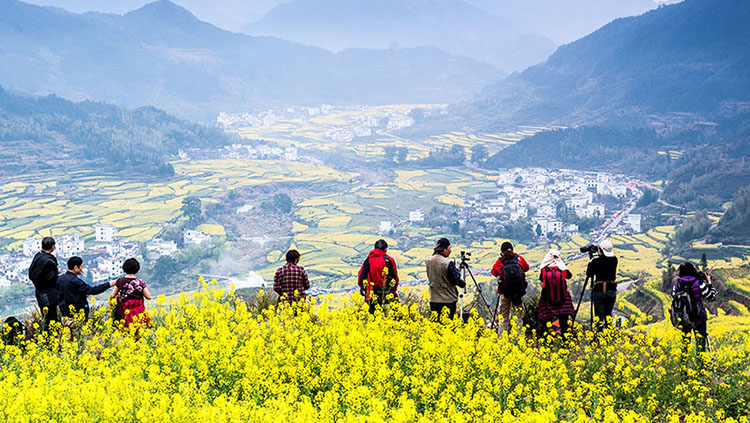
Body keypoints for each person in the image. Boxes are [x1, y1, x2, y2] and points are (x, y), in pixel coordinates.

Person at [673, 262, 716, 352]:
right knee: (700, 346)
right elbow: (711, 297)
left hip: (684, 318)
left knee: (685, 346)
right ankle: (701, 364)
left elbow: (674, 298)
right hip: (698, 317)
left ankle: (683, 363)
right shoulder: (699, 283)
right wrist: (709, 283)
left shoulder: (677, 285)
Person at [57, 256, 116, 321]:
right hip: (76, 317)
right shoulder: (75, 281)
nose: (82, 269)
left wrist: (81, 295)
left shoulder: (59, 279)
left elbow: (69, 294)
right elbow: (93, 290)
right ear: (76, 267)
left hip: (64, 316)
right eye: (81, 266)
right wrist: (109, 284)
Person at [491, 241, 529, 334]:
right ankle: (517, 338)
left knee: (503, 316)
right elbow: (526, 268)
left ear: (502, 252)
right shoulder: (519, 258)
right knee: (518, 316)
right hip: (518, 293)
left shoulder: (500, 261)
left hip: (505, 293)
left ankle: (502, 339)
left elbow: (494, 272)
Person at [537, 249, 576, 336]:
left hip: (547, 300)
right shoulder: (562, 268)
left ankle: (544, 338)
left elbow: (541, 279)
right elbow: (569, 276)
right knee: (563, 321)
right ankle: (565, 338)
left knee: (546, 321)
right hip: (563, 299)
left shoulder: (544, 269)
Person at [425, 238, 465, 321]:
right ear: (444, 249)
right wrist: (457, 271)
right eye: (449, 248)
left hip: (434, 298)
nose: (450, 251)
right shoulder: (448, 263)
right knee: (447, 326)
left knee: (435, 325)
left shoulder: (428, 260)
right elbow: (458, 282)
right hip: (448, 300)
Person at [28, 236, 60, 332]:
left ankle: (48, 339)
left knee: (46, 316)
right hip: (48, 293)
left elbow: (31, 274)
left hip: (39, 291)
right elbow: (50, 278)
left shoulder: (38, 256)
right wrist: (57, 272)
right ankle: (51, 338)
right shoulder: (49, 260)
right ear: (53, 247)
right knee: (51, 318)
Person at [358, 239, 400, 313]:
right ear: (385, 249)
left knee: (373, 315)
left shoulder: (368, 260)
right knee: (396, 311)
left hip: (373, 292)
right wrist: (393, 289)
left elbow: (361, 277)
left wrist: (365, 290)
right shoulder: (389, 260)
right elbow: (395, 277)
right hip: (388, 291)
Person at [586, 239, 618, 331]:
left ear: (601, 250)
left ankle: (598, 338)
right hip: (612, 291)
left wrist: (591, 261)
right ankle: (609, 338)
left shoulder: (596, 262)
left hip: (599, 291)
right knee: (609, 315)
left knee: (599, 317)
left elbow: (589, 274)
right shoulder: (614, 260)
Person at [111, 258, 152, 329]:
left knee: (127, 332)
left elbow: (112, 295)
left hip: (125, 311)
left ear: (124, 268)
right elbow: (148, 296)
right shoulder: (140, 282)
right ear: (137, 269)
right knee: (139, 331)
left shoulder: (120, 281)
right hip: (138, 311)